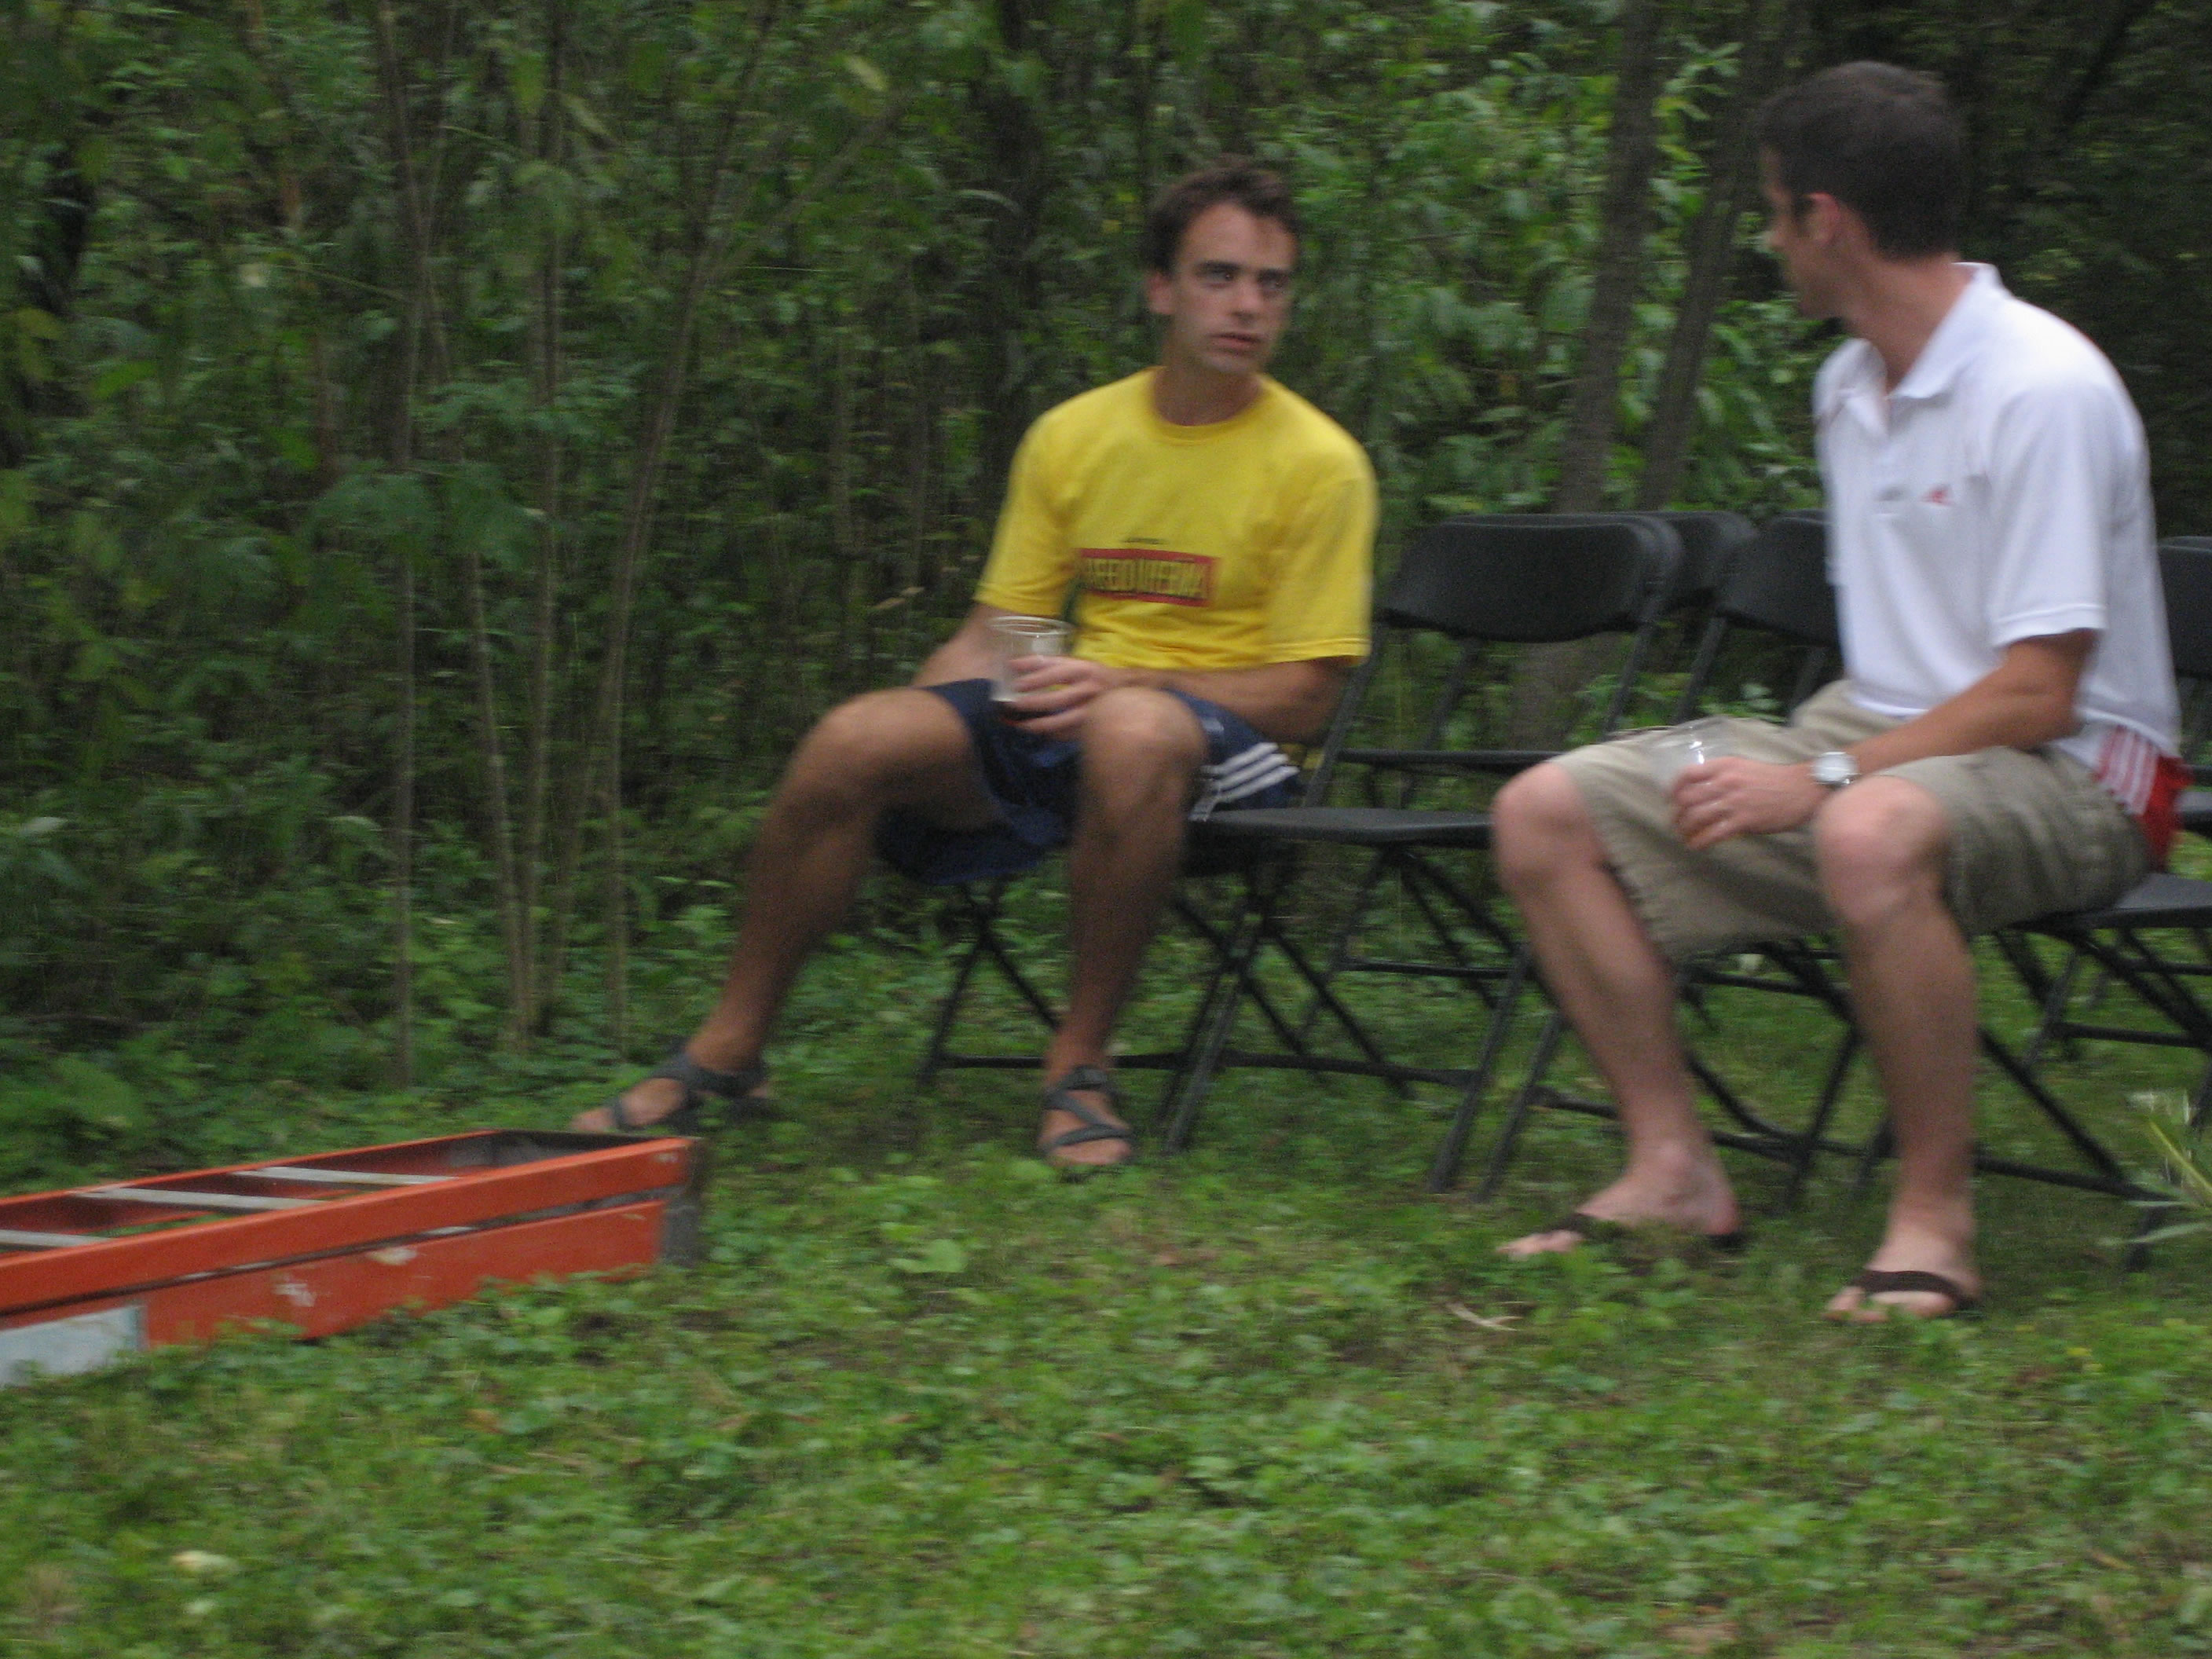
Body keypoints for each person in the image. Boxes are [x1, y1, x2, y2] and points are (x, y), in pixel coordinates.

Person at [1489, 63, 2183, 1317]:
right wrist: (1821, 766)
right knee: (1545, 813)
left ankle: (1935, 1223)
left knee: (1865, 830)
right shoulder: (1846, 388)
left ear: (1827, 221)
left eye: (1773, 212)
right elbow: (1890, 683)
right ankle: (1673, 1171)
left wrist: (1818, 779)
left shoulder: (2044, 387)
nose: (1770, 242)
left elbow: (2039, 693)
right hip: (1878, 737)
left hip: (2080, 767)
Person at [572, 159, 1375, 1170]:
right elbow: (1007, 629)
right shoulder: (1075, 435)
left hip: (1229, 750)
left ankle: (1079, 1066)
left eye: (1270, 284)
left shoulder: (1317, 463)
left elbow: (1306, 695)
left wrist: (1130, 684)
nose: (1247, 305)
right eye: (1218, 276)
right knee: (854, 737)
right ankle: (728, 1054)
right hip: (1076, 712)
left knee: (1129, 729)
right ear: (1160, 290)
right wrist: (931, 727)